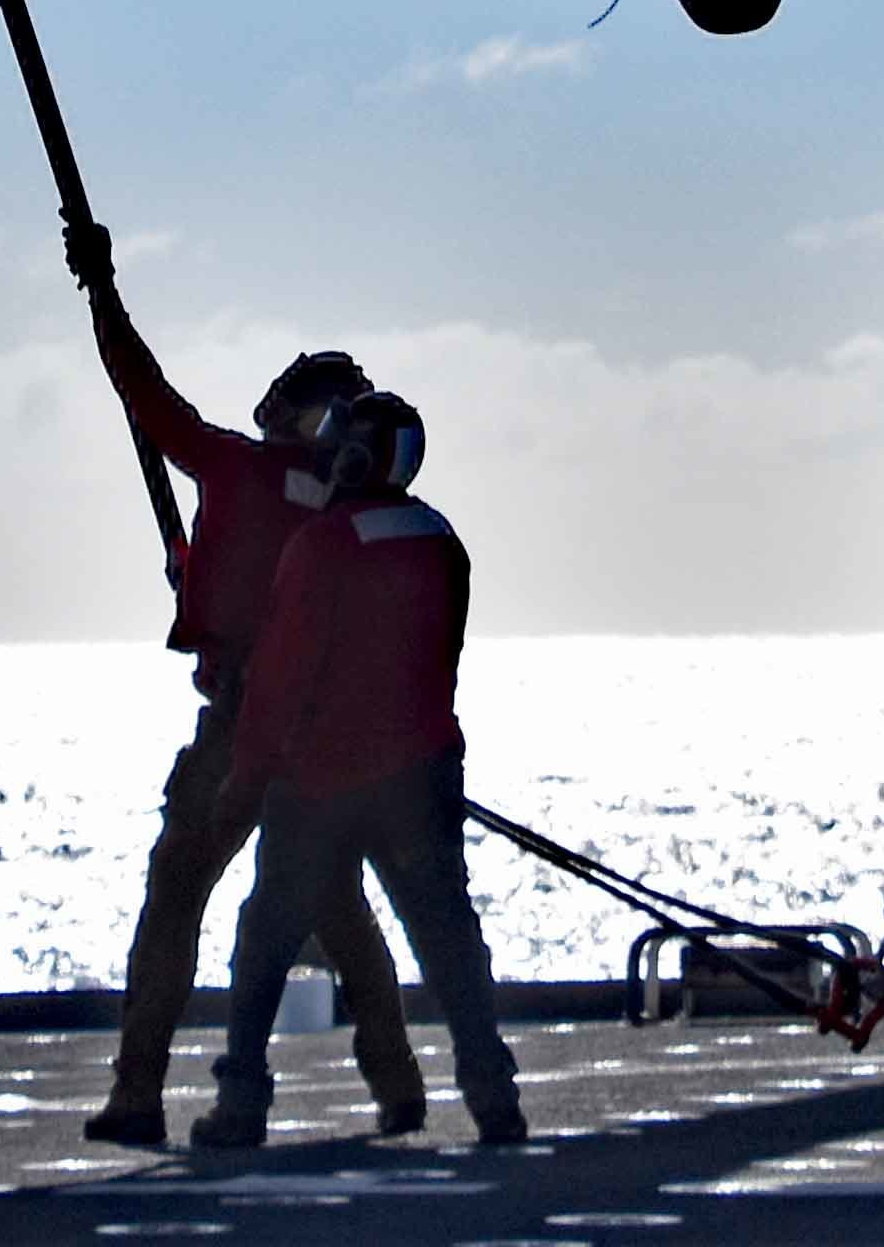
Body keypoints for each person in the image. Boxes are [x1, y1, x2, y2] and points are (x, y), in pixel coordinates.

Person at [75, 242, 425, 1151]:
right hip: (328, 742)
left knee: (178, 890)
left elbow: (144, 396)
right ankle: (397, 1081)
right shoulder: (345, 510)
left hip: (241, 727)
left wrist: (101, 293)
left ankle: (137, 1091)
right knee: (335, 902)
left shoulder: (237, 469)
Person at [193, 389, 526, 1152]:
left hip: (320, 785)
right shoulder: (442, 542)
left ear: (354, 457)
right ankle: (493, 1098)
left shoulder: (322, 546)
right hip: (422, 776)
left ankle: (241, 1102)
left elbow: (280, 679)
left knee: (267, 938)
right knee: (449, 943)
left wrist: (244, 783)